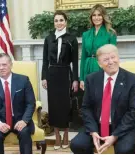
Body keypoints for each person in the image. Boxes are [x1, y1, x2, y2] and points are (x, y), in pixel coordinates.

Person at [70, 44, 135, 154]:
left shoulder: (133, 80)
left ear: (118, 58)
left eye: (113, 57)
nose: (110, 62)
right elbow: (86, 107)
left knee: (124, 149)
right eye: (105, 59)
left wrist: (115, 135)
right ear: (100, 64)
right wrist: (93, 131)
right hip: (97, 126)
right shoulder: (91, 79)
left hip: (124, 127)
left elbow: (134, 111)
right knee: (77, 144)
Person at [0, 53, 36, 154]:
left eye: (4, 64)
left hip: (20, 119)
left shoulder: (23, 80)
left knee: (25, 133)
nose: (1, 68)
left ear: (11, 65)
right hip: (1, 121)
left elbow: (31, 103)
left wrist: (24, 121)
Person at [41, 11, 79, 150]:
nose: (59, 23)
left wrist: (75, 79)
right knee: (54, 106)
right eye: (56, 20)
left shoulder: (72, 39)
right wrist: (44, 77)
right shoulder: (48, 38)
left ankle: (66, 135)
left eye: (61, 20)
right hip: (52, 75)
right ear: (54, 23)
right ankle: (57, 136)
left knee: (65, 106)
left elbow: (75, 62)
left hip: (65, 74)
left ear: (66, 22)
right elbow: (44, 60)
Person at [80, 4, 117, 90]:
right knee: (90, 98)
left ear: (103, 16)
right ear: (91, 17)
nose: (96, 18)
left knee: (102, 97)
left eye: (99, 15)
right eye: (94, 15)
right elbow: (83, 57)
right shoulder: (86, 35)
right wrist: (81, 78)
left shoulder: (110, 34)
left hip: (103, 68)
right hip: (88, 68)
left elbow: (113, 56)